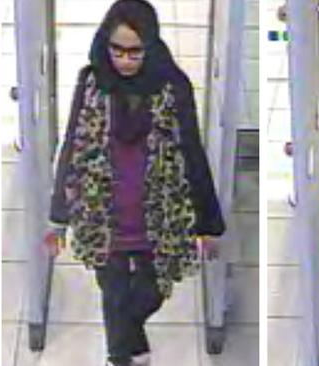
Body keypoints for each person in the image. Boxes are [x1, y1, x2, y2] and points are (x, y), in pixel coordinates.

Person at [44, 1, 225, 365]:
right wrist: (59, 217)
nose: (125, 60)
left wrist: (208, 224)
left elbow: (192, 151)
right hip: (102, 216)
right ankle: (122, 357)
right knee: (113, 295)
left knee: (151, 293)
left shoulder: (173, 86)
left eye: (135, 51)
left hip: (159, 218)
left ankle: (129, 343)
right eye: (117, 50)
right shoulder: (91, 81)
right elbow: (73, 143)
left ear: (151, 46)